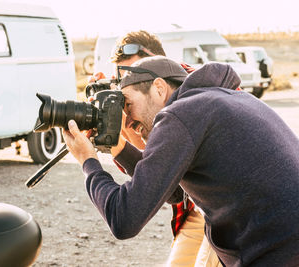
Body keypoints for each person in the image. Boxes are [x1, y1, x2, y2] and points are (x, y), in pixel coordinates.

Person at [63, 55, 299, 266]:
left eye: (128, 104)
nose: (128, 120)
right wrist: (119, 148)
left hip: (276, 250)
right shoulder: (217, 99)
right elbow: (176, 193)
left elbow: (123, 219)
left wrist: (88, 161)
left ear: (158, 88)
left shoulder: (179, 114)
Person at [92, 30, 221, 266]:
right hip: (195, 207)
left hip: (229, 210)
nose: (128, 82)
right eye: (121, 78)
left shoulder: (200, 90)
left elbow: (126, 218)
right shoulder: (144, 99)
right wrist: (117, 128)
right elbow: (163, 178)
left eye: (133, 73)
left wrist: (88, 162)